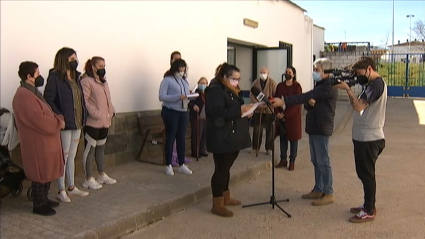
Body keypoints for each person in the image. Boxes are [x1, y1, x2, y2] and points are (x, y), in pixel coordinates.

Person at [270, 58, 338, 206]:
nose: (314, 73)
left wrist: (284, 101)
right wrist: (309, 103)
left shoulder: (328, 86)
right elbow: (308, 104)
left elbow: (305, 96)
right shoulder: (320, 85)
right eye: (314, 70)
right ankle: (318, 188)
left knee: (323, 161)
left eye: (317, 70)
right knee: (315, 160)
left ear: (326, 72)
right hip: (314, 126)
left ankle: (328, 192)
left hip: (322, 127)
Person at [333, 56, 387, 223]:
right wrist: (348, 90)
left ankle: (369, 210)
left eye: (359, 73)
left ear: (369, 69)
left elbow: (358, 106)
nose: (358, 76)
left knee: (367, 175)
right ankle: (367, 205)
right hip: (364, 137)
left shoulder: (377, 84)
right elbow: (358, 107)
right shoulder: (370, 85)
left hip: (369, 138)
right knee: (364, 173)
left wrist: (347, 89)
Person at [13, 61, 65, 216]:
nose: (40, 77)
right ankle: (38, 204)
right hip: (37, 142)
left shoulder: (32, 92)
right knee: (40, 173)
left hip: (45, 141)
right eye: (37, 74)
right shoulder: (23, 95)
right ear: (29, 76)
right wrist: (58, 122)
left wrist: (57, 117)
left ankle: (44, 198)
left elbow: (46, 111)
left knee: (47, 171)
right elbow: (38, 119)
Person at [205, 63, 253, 217]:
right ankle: (217, 204)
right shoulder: (215, 90)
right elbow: (216, 111)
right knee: (221, 170)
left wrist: (246, 112)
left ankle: (226, 196)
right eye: (233, 79)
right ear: (224, 77)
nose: (236, 82)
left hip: (233, 136)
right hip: (221, 136)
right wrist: (239, 110)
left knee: (226, 168)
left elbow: (234, 110)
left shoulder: (232, 90)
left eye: (238, 79)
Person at [44, 47, 89, 203]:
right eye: (71, 59)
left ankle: (71, 186)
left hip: (77, 122)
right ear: (63, 60)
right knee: (63, 157)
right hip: (64, 124)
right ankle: (61, 189)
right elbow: (48, 99)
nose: (75, 61)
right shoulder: (55, 78)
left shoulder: (76, 77)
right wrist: (59, 115)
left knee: (72, 156)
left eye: (75, 58)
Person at [80, 56, 117, 189]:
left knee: (101, 149)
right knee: (90, 150)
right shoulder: (86, 81)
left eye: (104, 66)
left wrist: (111, 111)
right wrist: (97, 114)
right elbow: (85, 101)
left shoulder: (104, 82)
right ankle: (88, 178)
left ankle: (101, 174)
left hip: (104, 122)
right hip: (92, 122)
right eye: (100, 66)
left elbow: (108, 99)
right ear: (93, 67)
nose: (103, 68)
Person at [159, 59, 193, 176]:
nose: (182, 72)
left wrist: (189, 95)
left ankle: (181, 164)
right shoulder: (167, 80)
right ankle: (168, 164)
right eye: (180, 70)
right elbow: (162, 96)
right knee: (171, 137)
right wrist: (178, 97)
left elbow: (185, 94)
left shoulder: (184, 81)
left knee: (181, 138)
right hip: (171, 111)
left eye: (184, 70)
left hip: (183, 111)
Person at [274, 66, 302, 170]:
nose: (287, 73)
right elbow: (275, 99)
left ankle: (292, 161)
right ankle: (283, 159)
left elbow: (296, 103)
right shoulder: (280, 86)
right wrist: (277, 113)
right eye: (286, 72)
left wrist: (285, 114)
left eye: (289, 72)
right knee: (283, 140)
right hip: (281, 118)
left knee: (293, 141)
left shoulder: (296, 87)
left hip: (292, 118)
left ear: (293, 74)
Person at [249, 67, 277, 156]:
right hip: (258, 109)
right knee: (257, 130)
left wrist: (266, 105)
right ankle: (255, 147)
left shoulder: (272, 83)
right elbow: (251, 94)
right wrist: (258, 104)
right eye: (261, 72)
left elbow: (275, 95)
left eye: (264, 72)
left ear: (268, 73)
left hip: (269, 110)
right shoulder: (255, 82)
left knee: (270, 130)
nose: (262, 74)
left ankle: (269, 148)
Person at [188, 77, 209, 158]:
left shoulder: (207, 93)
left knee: (204, 135)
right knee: (197, 135)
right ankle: (195, 152)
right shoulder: (195, 93)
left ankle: (202, 150)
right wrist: (194, 106)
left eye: (205, 83)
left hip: (205, 117)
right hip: (197, 117)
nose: (203, 85)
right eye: (202, 83)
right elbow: (190, 103)